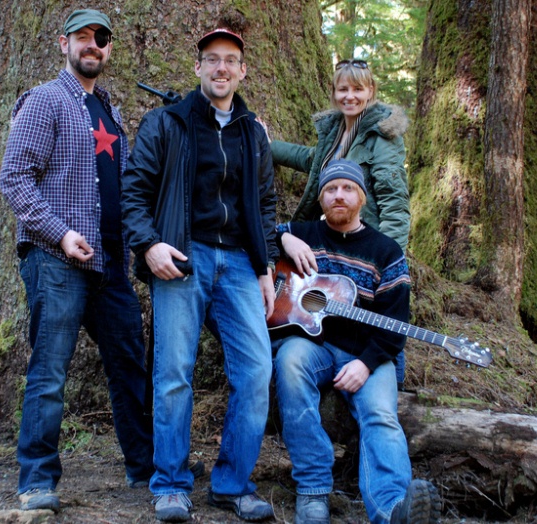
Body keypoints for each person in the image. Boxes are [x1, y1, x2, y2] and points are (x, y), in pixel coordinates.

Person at [0, 9, 154, 512]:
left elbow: (129, 187)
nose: (93, 46)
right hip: (56, 260)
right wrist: (62, 235)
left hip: (110, 265)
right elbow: (14, 179)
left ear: (109, 48)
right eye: (83, 37)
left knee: (131, 366)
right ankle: (37, 480)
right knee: (49, 370)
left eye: (101, 38)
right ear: (63, 43)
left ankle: (145, 467)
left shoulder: (109, 111)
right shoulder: (45, 101)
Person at [121, 28, 278, 523]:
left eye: (231, 61)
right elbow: (134, 192)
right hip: (184, 258)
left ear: (243, 71)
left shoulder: (253, 132)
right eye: (212, 60)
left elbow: (266, 205)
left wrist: (267, 265)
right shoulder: (167, 123)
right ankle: (169, 484)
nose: (221, 69)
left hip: (239, 266)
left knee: (256, 372)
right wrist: (148, 245)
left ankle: (232, 484)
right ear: (198, 68)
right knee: (173, 376)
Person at [271, 160, 441, 524]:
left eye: (347, 189)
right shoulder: (304, 233)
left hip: (370, 353)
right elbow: (256, 233)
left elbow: (396, 324)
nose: (338, 196)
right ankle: (313, 490)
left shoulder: (386, 251)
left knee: (380, 414)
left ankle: (394, 508)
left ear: (361, 198)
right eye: (331, 190)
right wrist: (283, 237)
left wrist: (365, 363)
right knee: (289, 363)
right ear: (321, 198)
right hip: (313, 345)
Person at [270, 59, 411, 389]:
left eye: (358, 89)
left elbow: (394, 201)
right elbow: (311, 161)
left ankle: (384, 370)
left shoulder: (382, 137)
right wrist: (267, 145)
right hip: (332, 243)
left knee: (377, 321)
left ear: (371, 91)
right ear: (334, 93)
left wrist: (385, 262)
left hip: (366, 240)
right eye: (343, 89)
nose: (350, 96)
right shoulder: (335, 131)